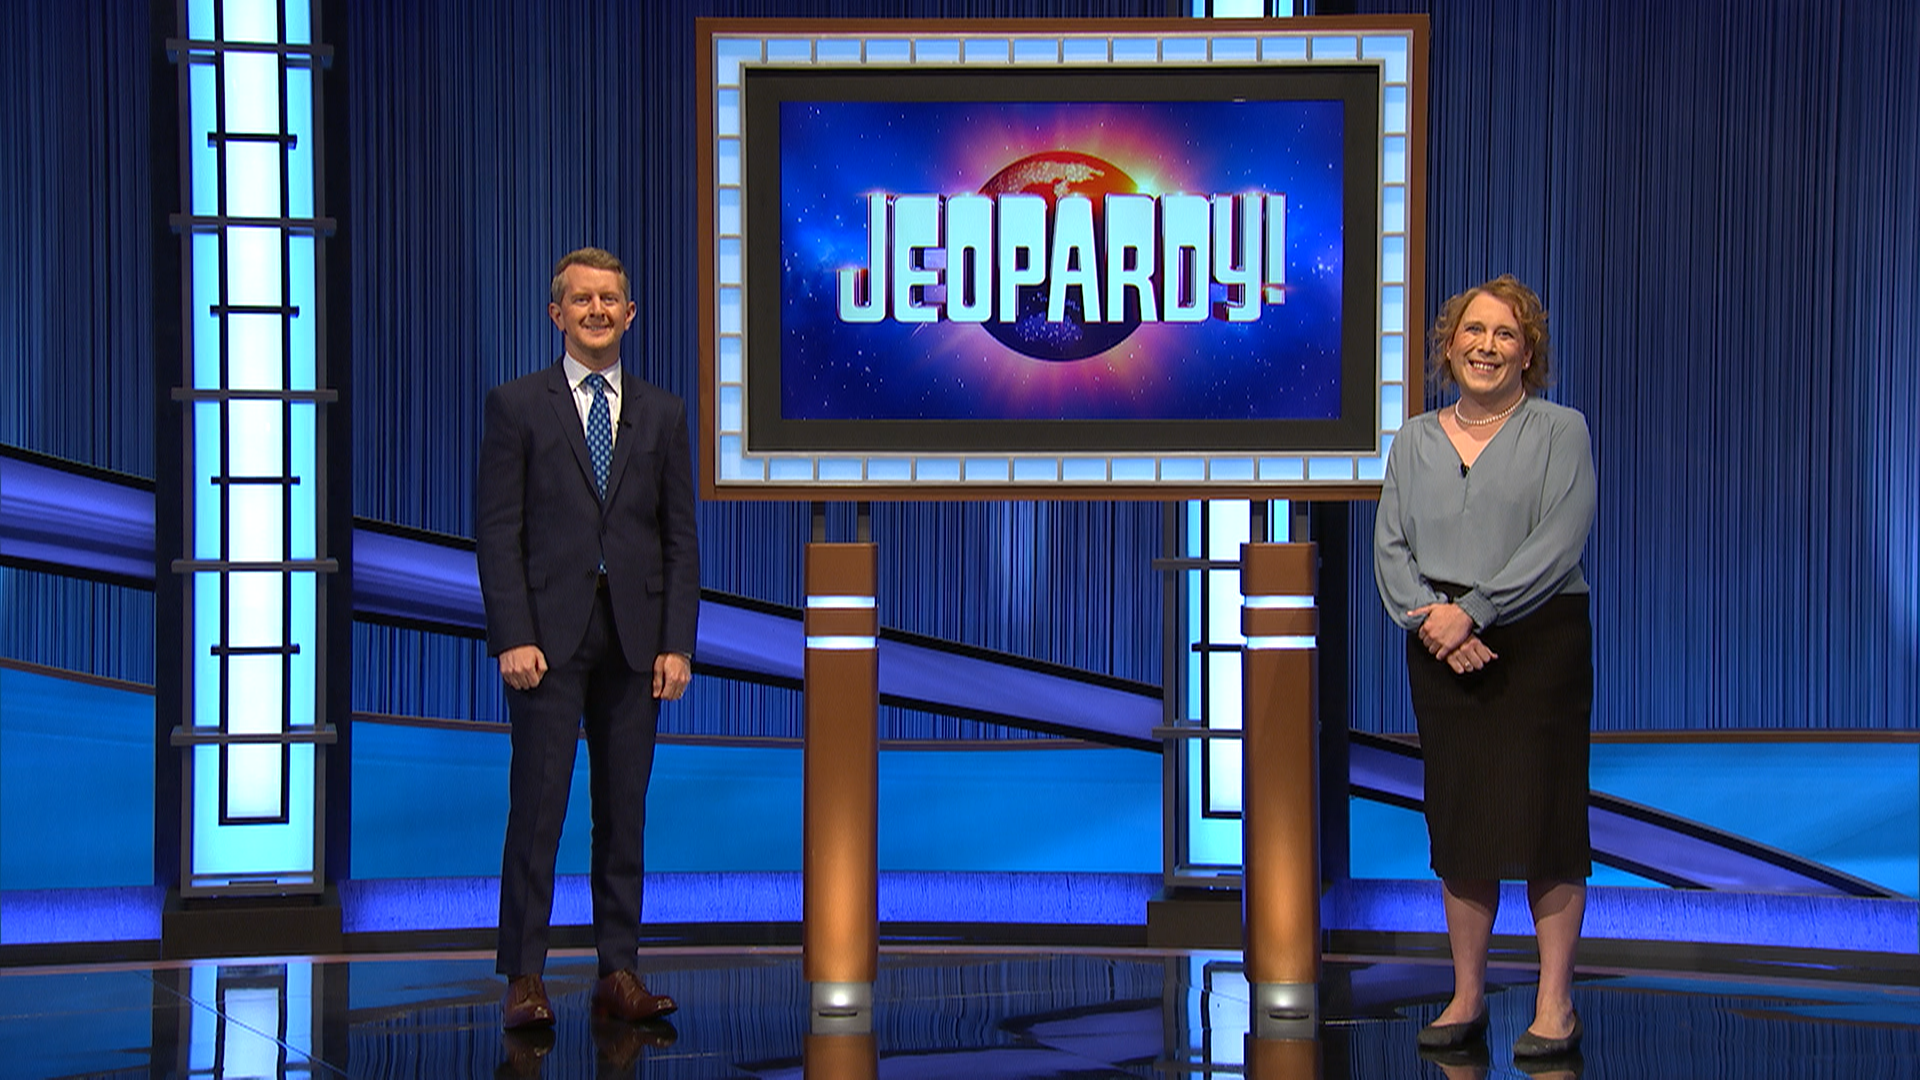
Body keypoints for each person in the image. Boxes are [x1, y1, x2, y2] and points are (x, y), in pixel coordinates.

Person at [1373, 275, 1596, 1060]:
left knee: (1546, 820)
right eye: (1474, 331)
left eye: (1505, 335)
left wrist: (1477, 610)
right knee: (1461, 820)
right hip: (1440, 645)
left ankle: (1553, 1004)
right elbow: (1391, 547)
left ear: (1528, 353)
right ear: (1449, 345)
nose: (1487, 346)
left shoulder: (1561, 430)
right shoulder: (1413, 441)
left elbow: (1559, 540)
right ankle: (1467, 995)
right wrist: (1433, 618)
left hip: (1539, 641)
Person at [477, 247, 700, 1030]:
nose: (597, 310)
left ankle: (619, 970)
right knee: (538, 809)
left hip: (638, 643)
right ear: (556, 314)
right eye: (582, 300)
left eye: (610, 299)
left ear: (630, 314)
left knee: (624, 810)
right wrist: (512, 633)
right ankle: (525, 978)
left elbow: (680, 540)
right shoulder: (515, 406)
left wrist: (678, 643)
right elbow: (498, 533)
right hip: (547, 639)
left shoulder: (665, 413)